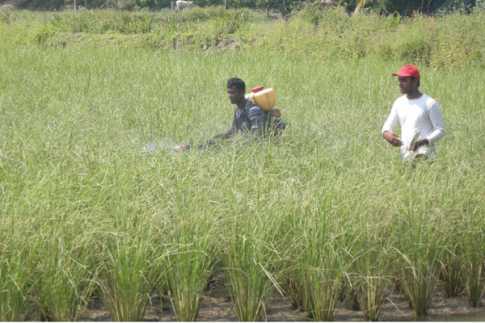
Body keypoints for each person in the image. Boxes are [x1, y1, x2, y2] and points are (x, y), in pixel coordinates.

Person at [175, 77, 285, 151]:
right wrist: (203, 145)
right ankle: (188, 148)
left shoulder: (253, 110)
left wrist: (233, 147)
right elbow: (231, 133)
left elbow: (258, 138)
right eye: (228, 92)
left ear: (242, 93)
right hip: (247, 147)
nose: (229, 95)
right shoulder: (238, 111)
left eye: (232, 93)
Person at [381, 64, 445, 160]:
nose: (400, 83)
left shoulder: (429, 103)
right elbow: (387, 126)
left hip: (426, 157)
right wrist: (387, 135)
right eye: (399, 80)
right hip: (405, 157)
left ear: (415, 81)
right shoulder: (399, 102)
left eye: (404, 80)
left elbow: (440, 130)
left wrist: (424, 141)